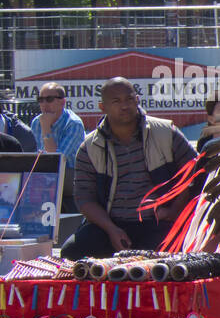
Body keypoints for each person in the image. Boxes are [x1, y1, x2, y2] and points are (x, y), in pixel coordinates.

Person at [61, 77, 197, 261]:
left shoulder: (166, 132)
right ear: (102, 107)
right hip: (112, 223)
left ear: (138, 100)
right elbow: (84, 198)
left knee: (170, 258)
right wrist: (111, 229)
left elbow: (195, 173)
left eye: (129, 99)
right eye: (116, 101)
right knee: (72, 251)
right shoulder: (90, 147)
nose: (124, 106)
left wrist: (173, 211)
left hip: (158, 221)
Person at [30, 81, 86, 169]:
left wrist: (46, 128)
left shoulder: (73, 124)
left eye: (49, 99)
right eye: (40, 100)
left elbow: (56, 160)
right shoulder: (36, 122)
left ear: (62, 102)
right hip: (44, 174)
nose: (44, 104)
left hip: (70, 175)